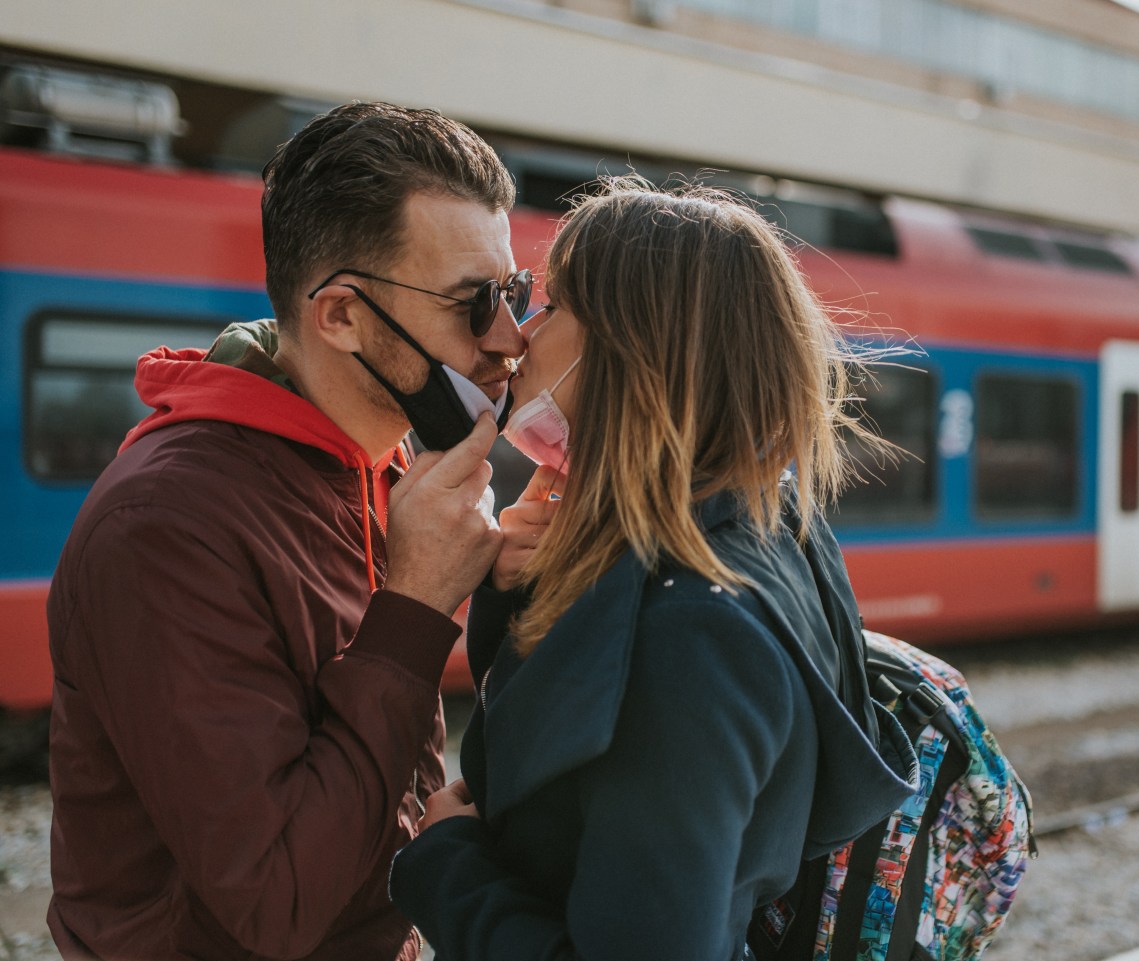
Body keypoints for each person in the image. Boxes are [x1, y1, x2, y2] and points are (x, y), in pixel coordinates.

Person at [46, 102, 528, 961]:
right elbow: (278, 901)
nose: (510, 339)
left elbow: (362, 773)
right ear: (339, 314)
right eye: (476, 301)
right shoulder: (166, 526)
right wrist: (416, 603)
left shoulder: (375, 465)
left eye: (515, 293)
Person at [389, 180, 919, 960]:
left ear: (637, 350)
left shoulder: (691, 641)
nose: (520, 335)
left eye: (556, 304)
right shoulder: (770, 527)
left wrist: (445, 865)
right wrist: (518, 586)